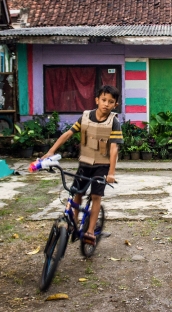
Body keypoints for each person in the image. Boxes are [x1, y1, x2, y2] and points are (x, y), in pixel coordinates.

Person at [42, 85, 123, 246]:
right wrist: (50, 152)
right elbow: (68, 134)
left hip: (102, 165)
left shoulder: (114, 123)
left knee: (95, 196)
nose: (106, 104)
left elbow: (114, 149)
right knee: (76, 194)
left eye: (111, 101)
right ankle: (74, 223)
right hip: (84, 163)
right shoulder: (85, 117)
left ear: (115, 105)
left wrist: (111, 172)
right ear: (97, 100)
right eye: (103, 100)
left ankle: (90, 231)